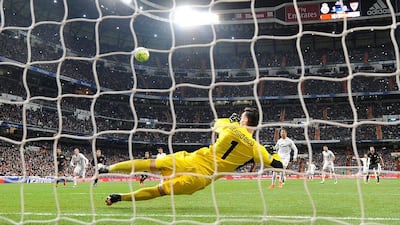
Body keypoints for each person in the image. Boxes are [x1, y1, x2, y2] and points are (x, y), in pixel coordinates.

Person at [98, 107, 283, 205]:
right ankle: (119, 197)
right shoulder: (256, 147)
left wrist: (229, 120)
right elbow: (278, 165)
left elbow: (214, 123)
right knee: (159, 191)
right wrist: (273, 152)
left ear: (243, 120)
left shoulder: (230, 127)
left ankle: (106, 169)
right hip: (202, 178)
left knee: (150, 163)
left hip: (192, 159)